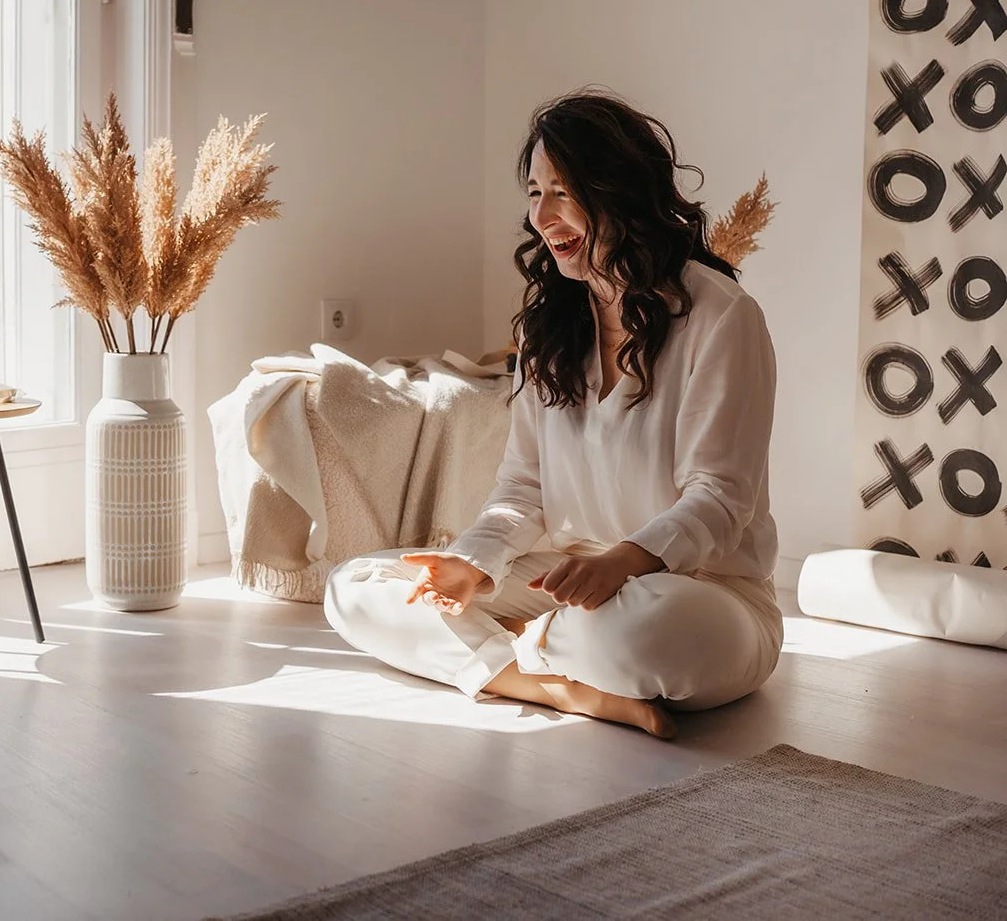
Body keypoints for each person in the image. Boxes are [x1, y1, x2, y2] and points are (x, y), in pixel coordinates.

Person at [325, 92, 783, 739]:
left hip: (701, 591)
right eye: (535, 192)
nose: (541, 215)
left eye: (562, 192)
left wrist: (621, 564)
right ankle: (558, 686)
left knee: (646, 629)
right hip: (560, 578)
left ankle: (511, 651)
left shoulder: (722, 315)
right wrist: (473, 562)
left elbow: (719, 497)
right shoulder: (551, 329)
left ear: (620, 190)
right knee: (354, 585)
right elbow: (523, 489)